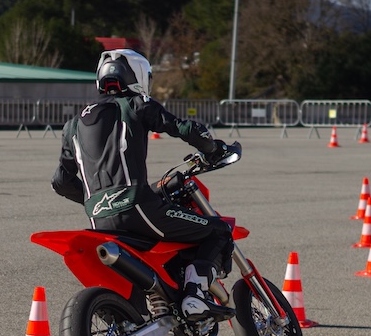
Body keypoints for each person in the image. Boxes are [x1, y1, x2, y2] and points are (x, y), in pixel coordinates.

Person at [51, 49, 234, 321]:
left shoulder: (72, 125)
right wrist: (213, 148)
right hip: (138, 208)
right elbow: (183, 128)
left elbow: (61, 181)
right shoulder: (136, 104)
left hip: (98, 219)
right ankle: (195, 295)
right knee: (218, 231)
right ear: (136, 75)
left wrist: (99, 198)